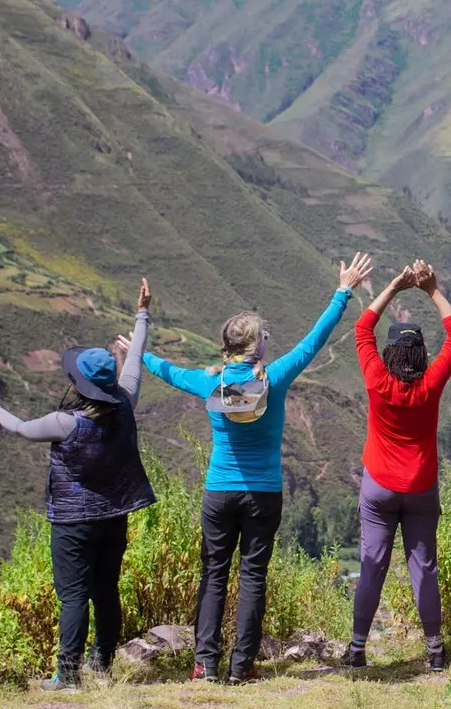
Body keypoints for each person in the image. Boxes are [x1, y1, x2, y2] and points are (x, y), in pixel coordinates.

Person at [142, 253, 373, 683]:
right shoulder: (275, 378)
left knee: (212, 577)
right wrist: (343, 292)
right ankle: (241, 665)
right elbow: (313, 341)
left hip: (219, 492)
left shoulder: (210, 382)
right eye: (264, 336)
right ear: (257, 346)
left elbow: (169, 371)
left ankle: (204, 665)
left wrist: (139, 353)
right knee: (252, 577)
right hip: (263, 494)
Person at [0, 279, 157, 691]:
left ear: (78, 386)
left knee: (73, 595)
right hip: (114, 518)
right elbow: (135, 360)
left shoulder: (65, 423)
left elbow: (20, 428)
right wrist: (142, 313)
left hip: (73, 523)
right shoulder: (125, 401)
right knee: (106, 590)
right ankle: (103, 667)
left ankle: (69, 677)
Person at [343, 260, 451, 673]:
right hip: (420, 488)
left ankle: (358, 648)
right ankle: (434, 651)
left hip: (378, 486)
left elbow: (362, 329)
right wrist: (432, 289)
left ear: (389, 352)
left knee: (372, 563)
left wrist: (395, 287)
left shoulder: (378, 381)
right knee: (423, 566)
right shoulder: (430, 386)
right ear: (421, 354)